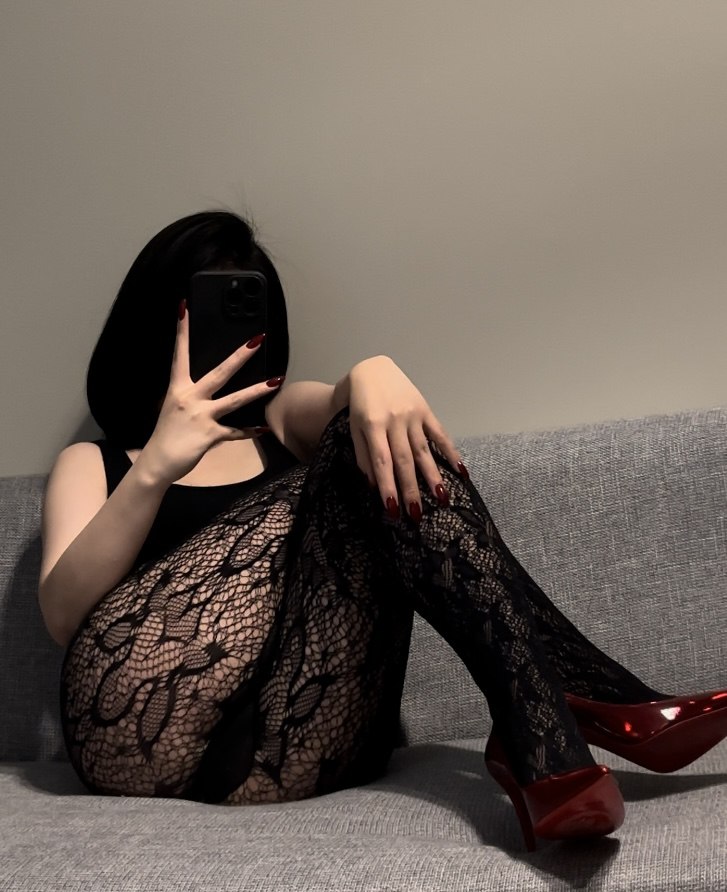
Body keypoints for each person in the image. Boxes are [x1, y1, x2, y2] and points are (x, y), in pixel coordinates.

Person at [42, 210, 726, 852]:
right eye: (199, 308)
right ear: (153, 322)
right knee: (352, 457)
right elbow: (65, 618)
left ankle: (550, 713)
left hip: (299, 742)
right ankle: (564, 711)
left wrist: (373, 371)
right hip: (139, 737)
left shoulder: (278, 424)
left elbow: (350, 414)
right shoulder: (96, 462)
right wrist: (155, 466)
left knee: (368, 442)